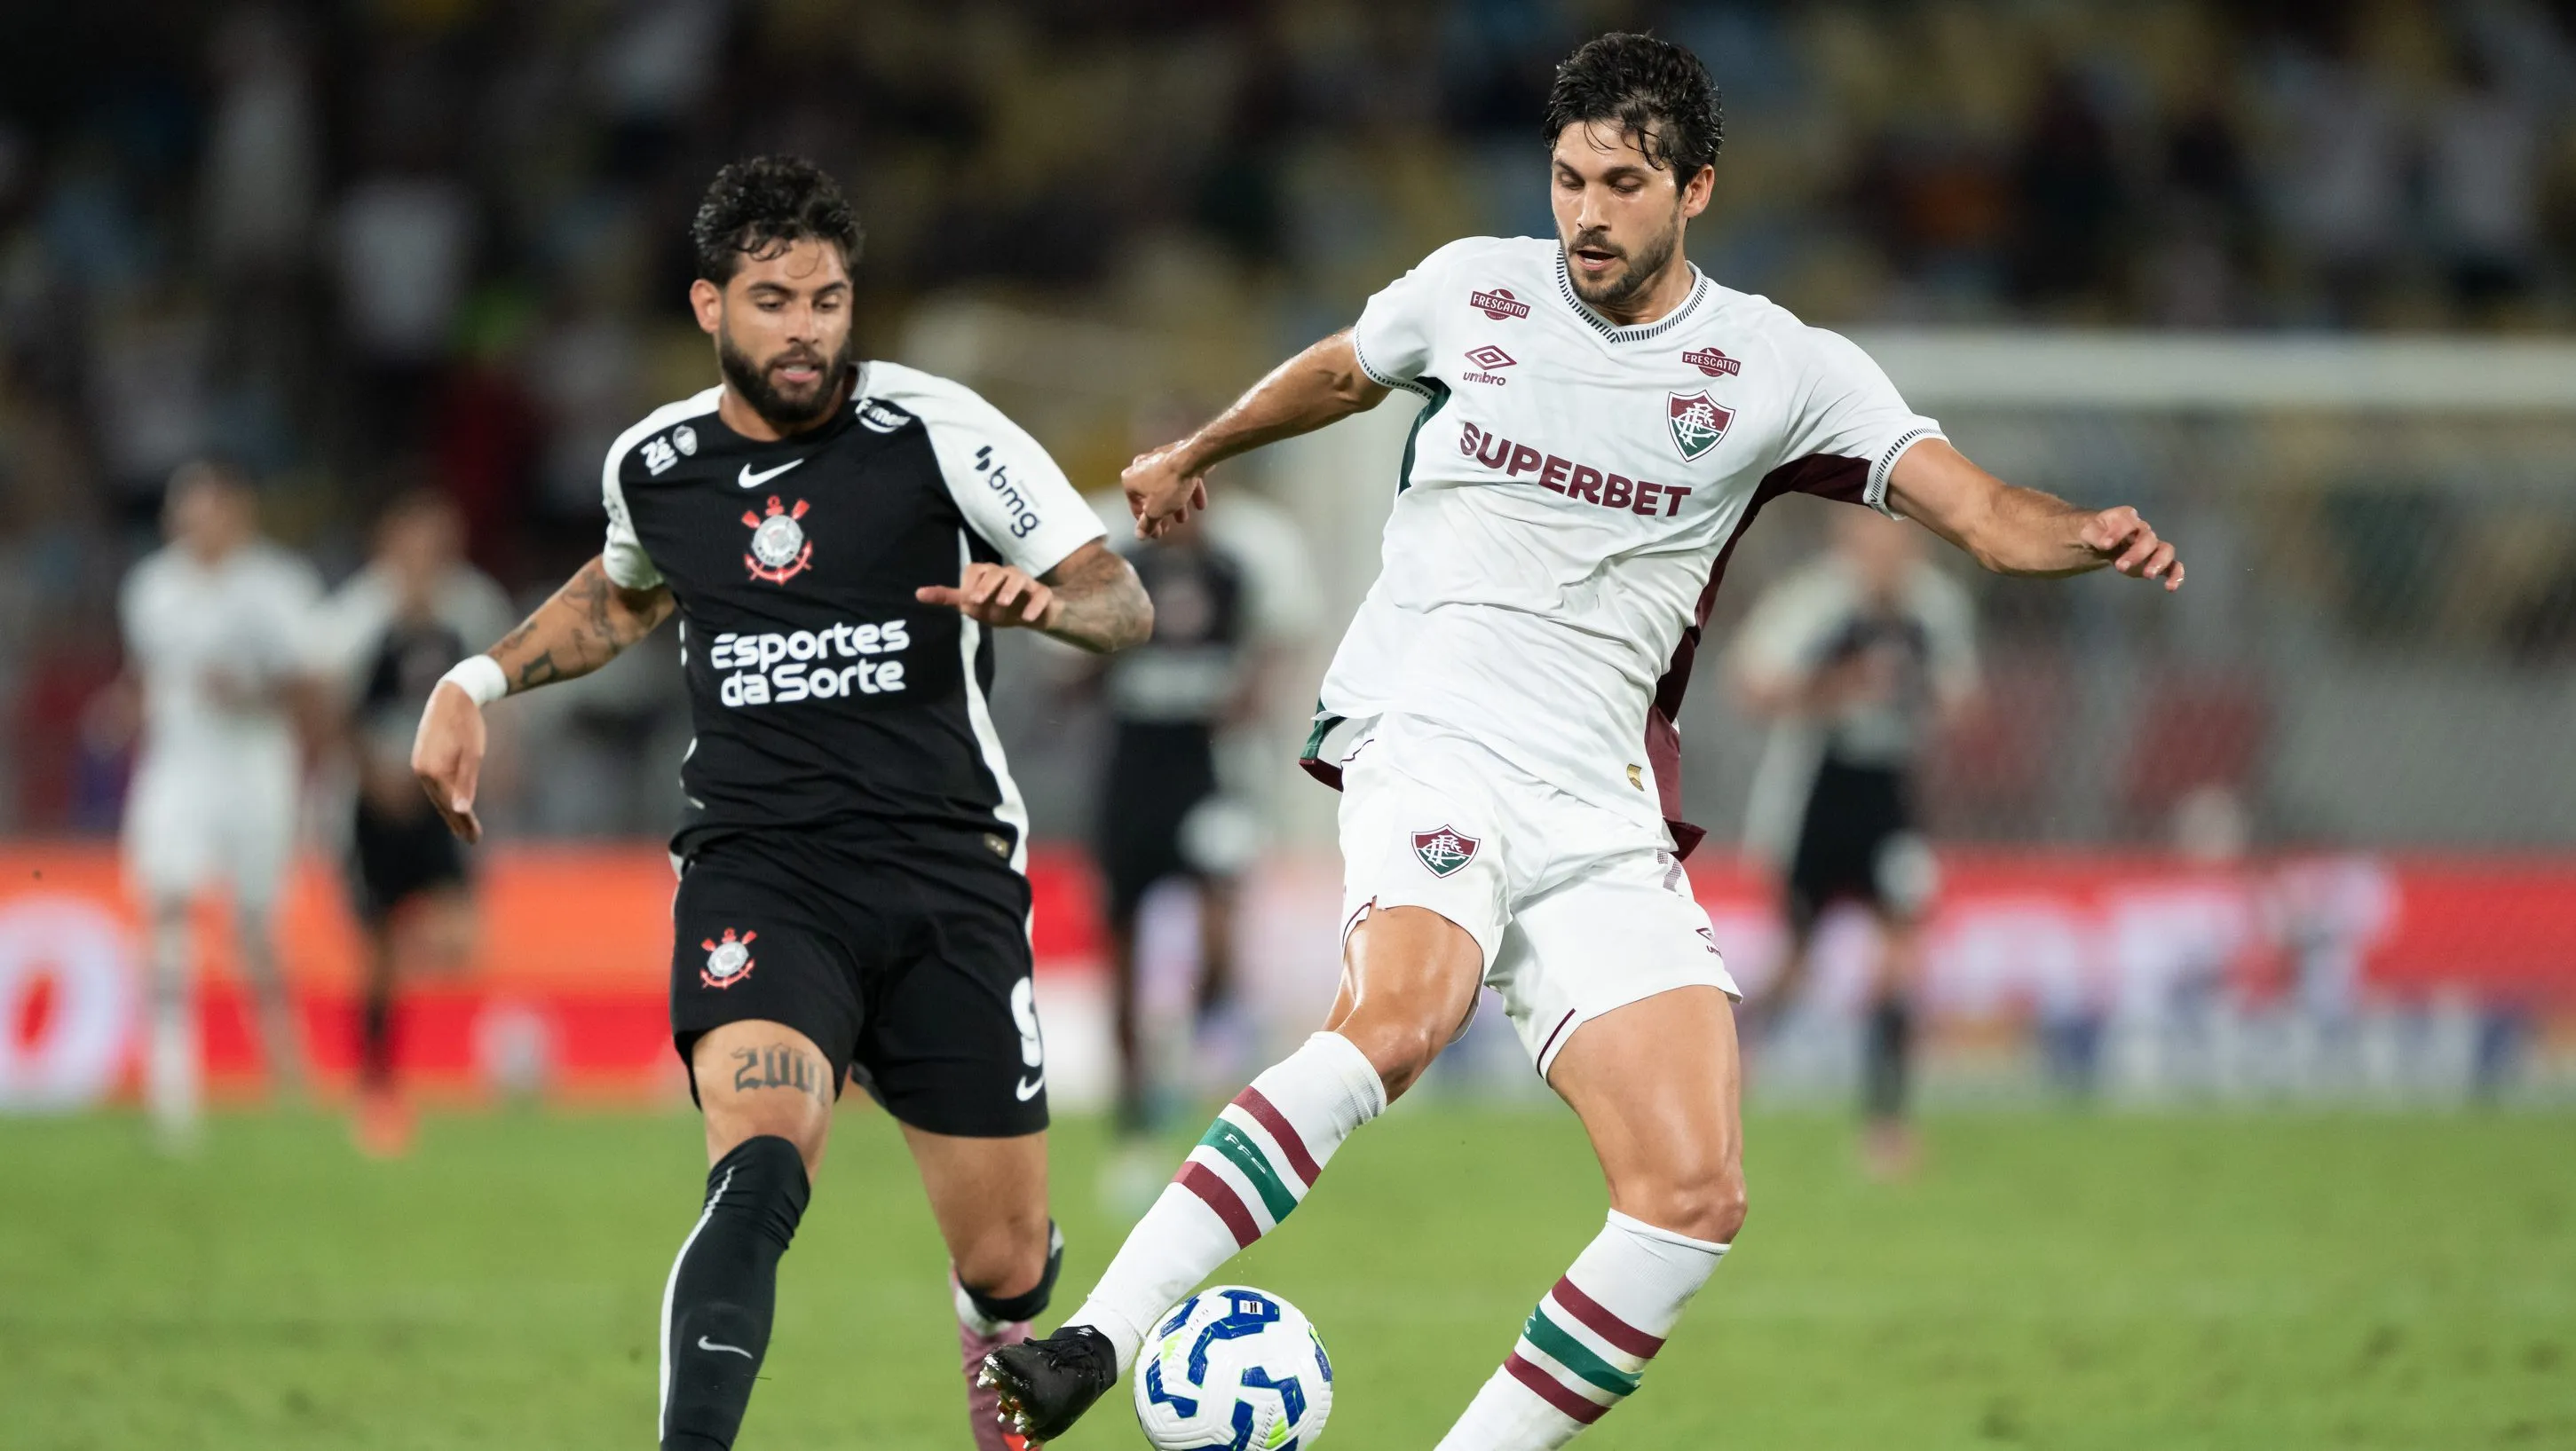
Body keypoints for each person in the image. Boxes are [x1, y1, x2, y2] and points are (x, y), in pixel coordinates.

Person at [981, 34, 2182, 1448]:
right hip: (1429, 726)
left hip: (1596, 796)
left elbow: (1979, 511)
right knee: (1398, 1015)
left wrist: (2082, 535)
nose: (1587, 213)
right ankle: (1090, 1343)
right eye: (1567, 178)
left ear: (1697, 191)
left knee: (1691, 1188)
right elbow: (1344, 370)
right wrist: (1201, 452)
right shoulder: (1469, 288)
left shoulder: (1774, 367)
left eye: (1623, 182)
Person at [406, 157, 1150, 1451]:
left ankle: (993, 1317)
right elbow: (620, 596)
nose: (805, 327)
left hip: (944, 871)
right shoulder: (658, 462)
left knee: (1007, 1262)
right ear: (709, 307)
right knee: (757, 1172)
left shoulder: (938, 429)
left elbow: (1117, 598)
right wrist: (473, 679)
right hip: (761, 873)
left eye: (826, 298)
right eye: (772, 300)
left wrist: (1051, 607)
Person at [1734, 507, 1980, 1178]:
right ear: (1848, 544)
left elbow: (1961, 697)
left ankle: (1886, 1124)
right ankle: (1729, 1060)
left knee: (1901, 954)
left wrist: (1922, 693)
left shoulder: (1935, 607)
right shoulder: (1814, 604)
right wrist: (1838, 686)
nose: (1886, 555)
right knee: (1797, 960)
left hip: (1889, 794)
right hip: (1818, 789)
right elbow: (1751, 686)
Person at [1087, 477, 1315, 1166]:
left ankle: (1184, 1048)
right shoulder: (1117, 566)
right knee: (1121, 946)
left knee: (1220, 936)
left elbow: (1273, 647)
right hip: (1133, 770)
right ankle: (1133, 1117)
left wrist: (1251, 695)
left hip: (1210, 771)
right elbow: (1072, 667)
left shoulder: (1237, 565)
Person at [117, 460, 322, 1148]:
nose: (191, 524)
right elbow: (149, 675)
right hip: (178, 767)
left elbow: (308, 689)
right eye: (184, 511)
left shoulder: (279, 588)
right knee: (166, 906)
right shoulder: (150, 588)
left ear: (239, 513)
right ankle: (173, 1089)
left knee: (256, 926)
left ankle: (286, 1071)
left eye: (206, 510)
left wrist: (249, 692)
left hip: (256, 767)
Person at [315, 490, 514, 1156]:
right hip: (371, 809)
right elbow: (329, 707)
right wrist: (371, 776)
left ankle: (412, 1008)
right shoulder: (356, 616)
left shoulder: (475, 607)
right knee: (372, 952)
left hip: (443, 805)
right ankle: (377, 1088)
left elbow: (505, 697)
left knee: (461, 940)